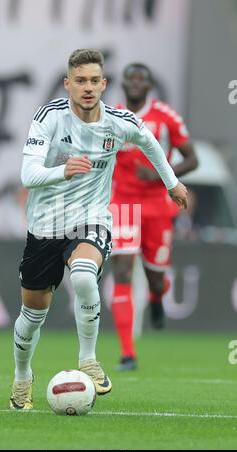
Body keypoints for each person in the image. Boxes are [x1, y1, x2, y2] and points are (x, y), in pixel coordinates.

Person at [10, 50, 188, 410]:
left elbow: (149, 142)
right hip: (46, 224)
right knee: (31, 317)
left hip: (92, 219)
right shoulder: (49, 118)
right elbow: (28, 176)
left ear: (104, 84)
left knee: (84, 276)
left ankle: (88, 358)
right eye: (80, 81)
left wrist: (171, 183)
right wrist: (63, 170)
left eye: (94, 80)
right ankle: (22, 377)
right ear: (68, 84)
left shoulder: (118, 121)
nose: (88, 87)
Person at [110, 63, 198, 371]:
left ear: (149, 86)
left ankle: (157, 298)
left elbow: (192, 158)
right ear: (122, 84)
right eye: (130, 78)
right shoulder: (112, 116)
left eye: (141, 80)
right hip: (122, 203)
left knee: (156, 279)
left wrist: (165, 175)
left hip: (158, 207)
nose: (135, 84)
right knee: (122, 270)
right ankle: (127, 353)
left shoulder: (165, 116)